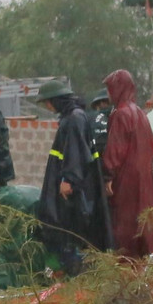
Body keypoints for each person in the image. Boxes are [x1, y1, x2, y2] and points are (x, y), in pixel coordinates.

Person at [34, 80, 111, 275]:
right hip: (74, 186)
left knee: (70, 231)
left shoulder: (75, 118)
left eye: (48, 102)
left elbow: (76, 151)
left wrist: (69, 179)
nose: (48, 107)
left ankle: (76, 274)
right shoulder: (72, 117)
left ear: (57, 100)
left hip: (74, 189)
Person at [101, 70, 153, 258]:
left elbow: (115, 150)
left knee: (124, 229)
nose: (108, 94)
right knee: (142, 224)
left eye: (110, 89)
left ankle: (127, 277)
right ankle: (140, 275)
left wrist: (108, 176)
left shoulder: (120, 114)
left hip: (125, 183)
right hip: (144, 180)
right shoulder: (141, 114)